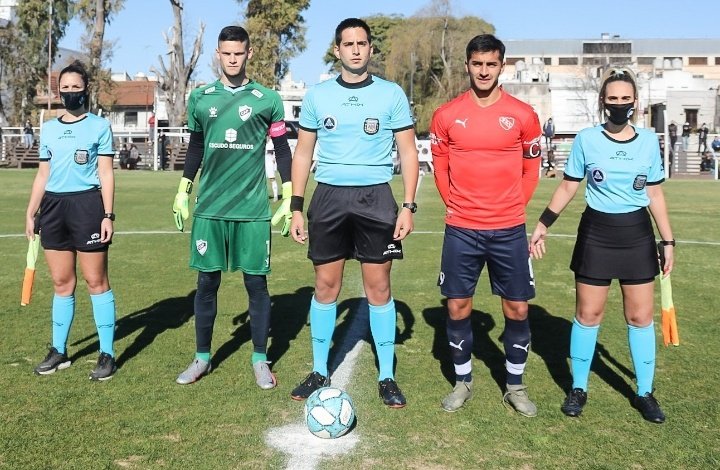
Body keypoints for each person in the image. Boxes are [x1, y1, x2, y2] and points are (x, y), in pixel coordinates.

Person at [285, 18, 419, 408]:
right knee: (326, 286)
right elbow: (303, 153)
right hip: (328, 198)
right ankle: (319, 369)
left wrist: (408, 205)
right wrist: (296, 206)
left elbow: (408, 152)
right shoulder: (317, 96)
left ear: (370, 50)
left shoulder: (391, 95)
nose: (356, 49)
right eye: (348, 44)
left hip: (375, 198)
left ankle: (387, 376)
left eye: (362, 43)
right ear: (337, 50)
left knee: (378, 289)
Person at [529, 66, 675, 424]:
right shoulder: (587, 140)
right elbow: (568, 186)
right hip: (597, 233)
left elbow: (654, 192)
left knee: (640, 317)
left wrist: (667, 239)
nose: (619, 105)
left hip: (637, 234)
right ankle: (578, 388)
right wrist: (543, 224)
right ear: (602, 102)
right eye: (613, 100)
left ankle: (644, 392)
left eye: (626, 99)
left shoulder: (647, 141)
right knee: (588, 314)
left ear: (635, 103)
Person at [171, 25, 292, 389]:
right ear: (218, 54)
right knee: (207, 282)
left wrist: (288, 196)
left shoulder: (267, 98)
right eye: (226, 53)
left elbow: (282, 149)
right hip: (210, 208)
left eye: (239, 52)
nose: (233, 58)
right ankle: (202, 358)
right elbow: (195, 147)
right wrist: (183, 190)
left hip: (252, 210)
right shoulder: (201, 97)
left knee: (256, 284)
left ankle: (259, 358)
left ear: (249, 53)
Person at [429, 34, 542, 416]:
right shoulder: (446, 114)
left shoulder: (523, 114)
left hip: (509, 228)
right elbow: (440, 170)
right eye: (477, 64)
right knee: (458, 306)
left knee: (518, 310)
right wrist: (459, 206)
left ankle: (515, 384)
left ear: (501, 66)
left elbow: (531, 170)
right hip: (462, 228)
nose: (483, 71)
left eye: (490, 64)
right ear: (467, 66)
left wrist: (511, 207)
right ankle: (463, 381)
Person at [25, 60, 118, 380]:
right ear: (58, 92)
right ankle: (59, 350)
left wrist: (107, 215)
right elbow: (42, 175)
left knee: (96, 281)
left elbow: (106, 173)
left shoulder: (100, 126)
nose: (69, 93)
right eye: (64, 88)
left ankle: (107, 353)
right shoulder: (48, 128)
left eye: (75, 87)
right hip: (53, 209)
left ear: (86, 90)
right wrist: (31, 210)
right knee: (62, 283)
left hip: (87, 207)